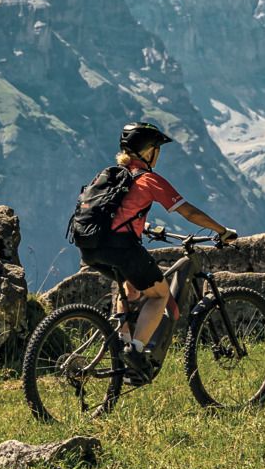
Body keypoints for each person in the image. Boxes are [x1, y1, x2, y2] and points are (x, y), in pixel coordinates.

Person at [77, 121, 238, 373]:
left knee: (130, 288)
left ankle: (122, 346)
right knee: (159, 294)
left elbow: (116, 213)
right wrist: (221, 230)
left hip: (91, 248)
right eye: (157, 149)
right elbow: (188, 211)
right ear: (149, 151)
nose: (158, 154)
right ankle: (135, 350)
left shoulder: (112, 175)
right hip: (121, 249)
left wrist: (146, 227)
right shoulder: (148, 180)